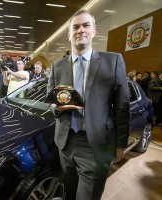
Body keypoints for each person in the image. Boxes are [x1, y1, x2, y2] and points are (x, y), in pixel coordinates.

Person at [47, 10, 130, 200]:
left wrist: (121, 144)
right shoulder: (57, 66)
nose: (80, 30)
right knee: (69, 192)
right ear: (69, 34)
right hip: (65, 142)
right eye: (75, 27)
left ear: (94, 31)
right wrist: (55, 108)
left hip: (96, 144)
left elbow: (122, 107)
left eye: (86, 25)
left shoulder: (113, 61)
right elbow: (50, 99)